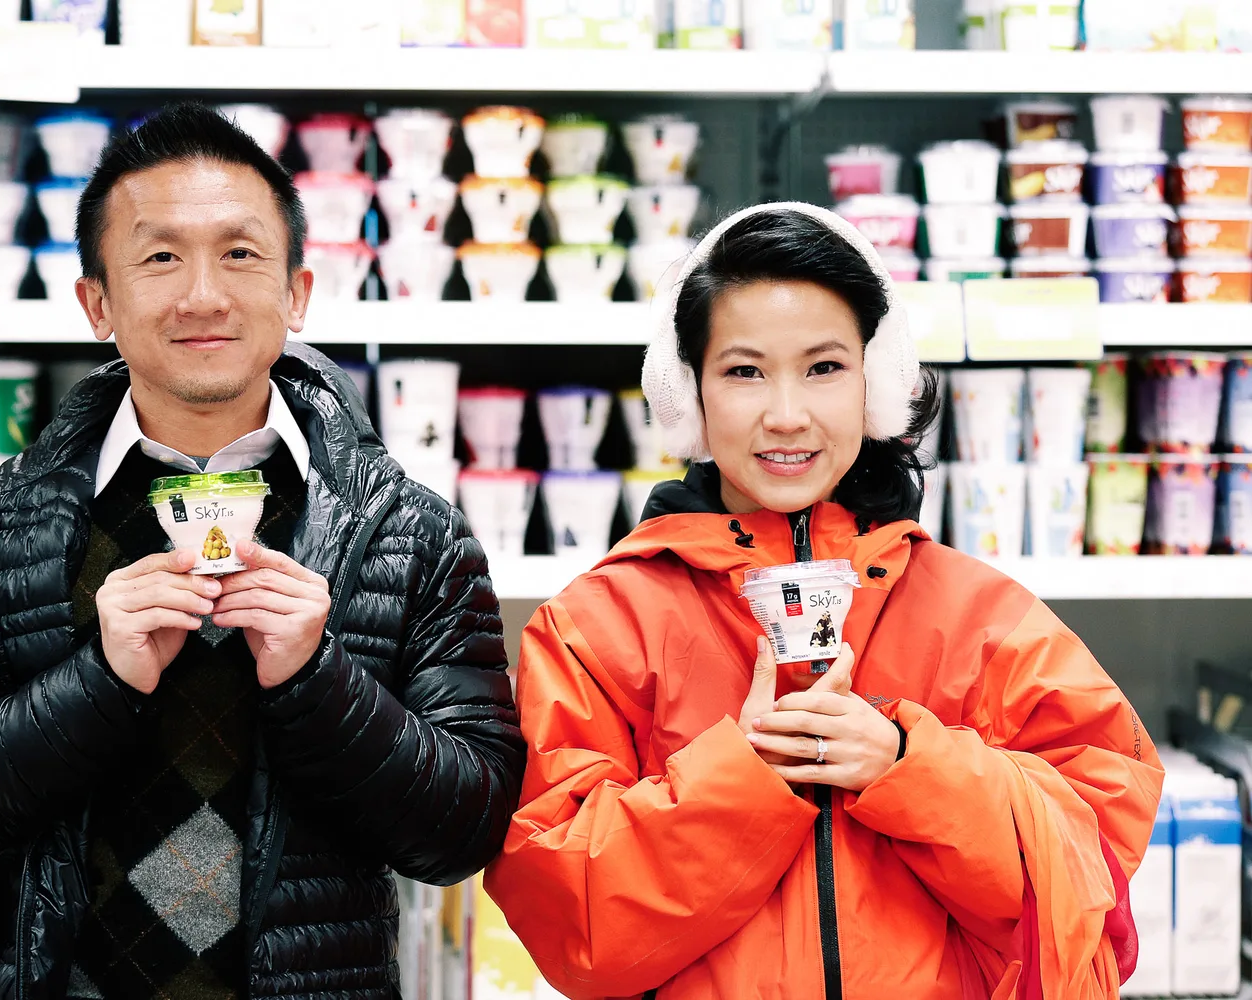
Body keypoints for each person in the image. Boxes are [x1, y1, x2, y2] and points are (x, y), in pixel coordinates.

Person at [0, 103, 525, 1000]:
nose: (204, 293)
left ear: (297, 292)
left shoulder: (409, 532)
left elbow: (469, 831)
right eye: (160, 256)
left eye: (241, 253)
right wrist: (98, 685)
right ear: (97, 301)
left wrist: (315, 681)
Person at [484, 203, 1164, 999]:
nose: (786, 414)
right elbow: (569, 923)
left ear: (875, 386)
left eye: (824, 367)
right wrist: (744, 777)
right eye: (743, 371)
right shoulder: (596, 628)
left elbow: (1092, 870)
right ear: (687, 393)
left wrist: (911, 766)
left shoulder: (982, 617)